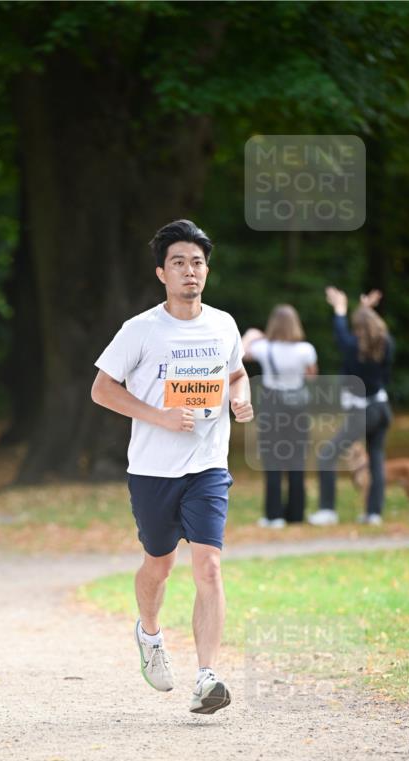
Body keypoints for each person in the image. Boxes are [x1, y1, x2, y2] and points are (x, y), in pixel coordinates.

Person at [91, 219, 253, 715]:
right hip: (153, 471)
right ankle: (150, 633)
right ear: (162, 273)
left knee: (209, 565)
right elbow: (102, 389)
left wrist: (240, 398)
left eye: (197, 263)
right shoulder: (140, 330)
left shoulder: (223, 325)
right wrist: (158, 416)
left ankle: (207, 676)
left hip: (207, 466)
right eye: (179, 263)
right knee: (159, 565)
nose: (190, 271)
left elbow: (237, 374)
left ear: (207, 271)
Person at [309, 287, 393, 526]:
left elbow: (341, 331)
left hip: (363, 411)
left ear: (358, 328)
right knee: (376, 459)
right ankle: (374, 513)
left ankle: (327, 510)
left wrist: (340, 308)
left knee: (327, 455)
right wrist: (365, 309)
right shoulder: (387, 343)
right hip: (382, 408)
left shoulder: (352, 347)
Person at [242, 305, 318, 527]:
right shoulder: (306, 349)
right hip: (297, 408)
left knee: (272, 460)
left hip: (272, 406)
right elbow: (312, 377)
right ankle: (296, 514)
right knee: (297, 459)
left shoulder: (265, 348)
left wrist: (252, 334)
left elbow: (241, 353)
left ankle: (273, 515)